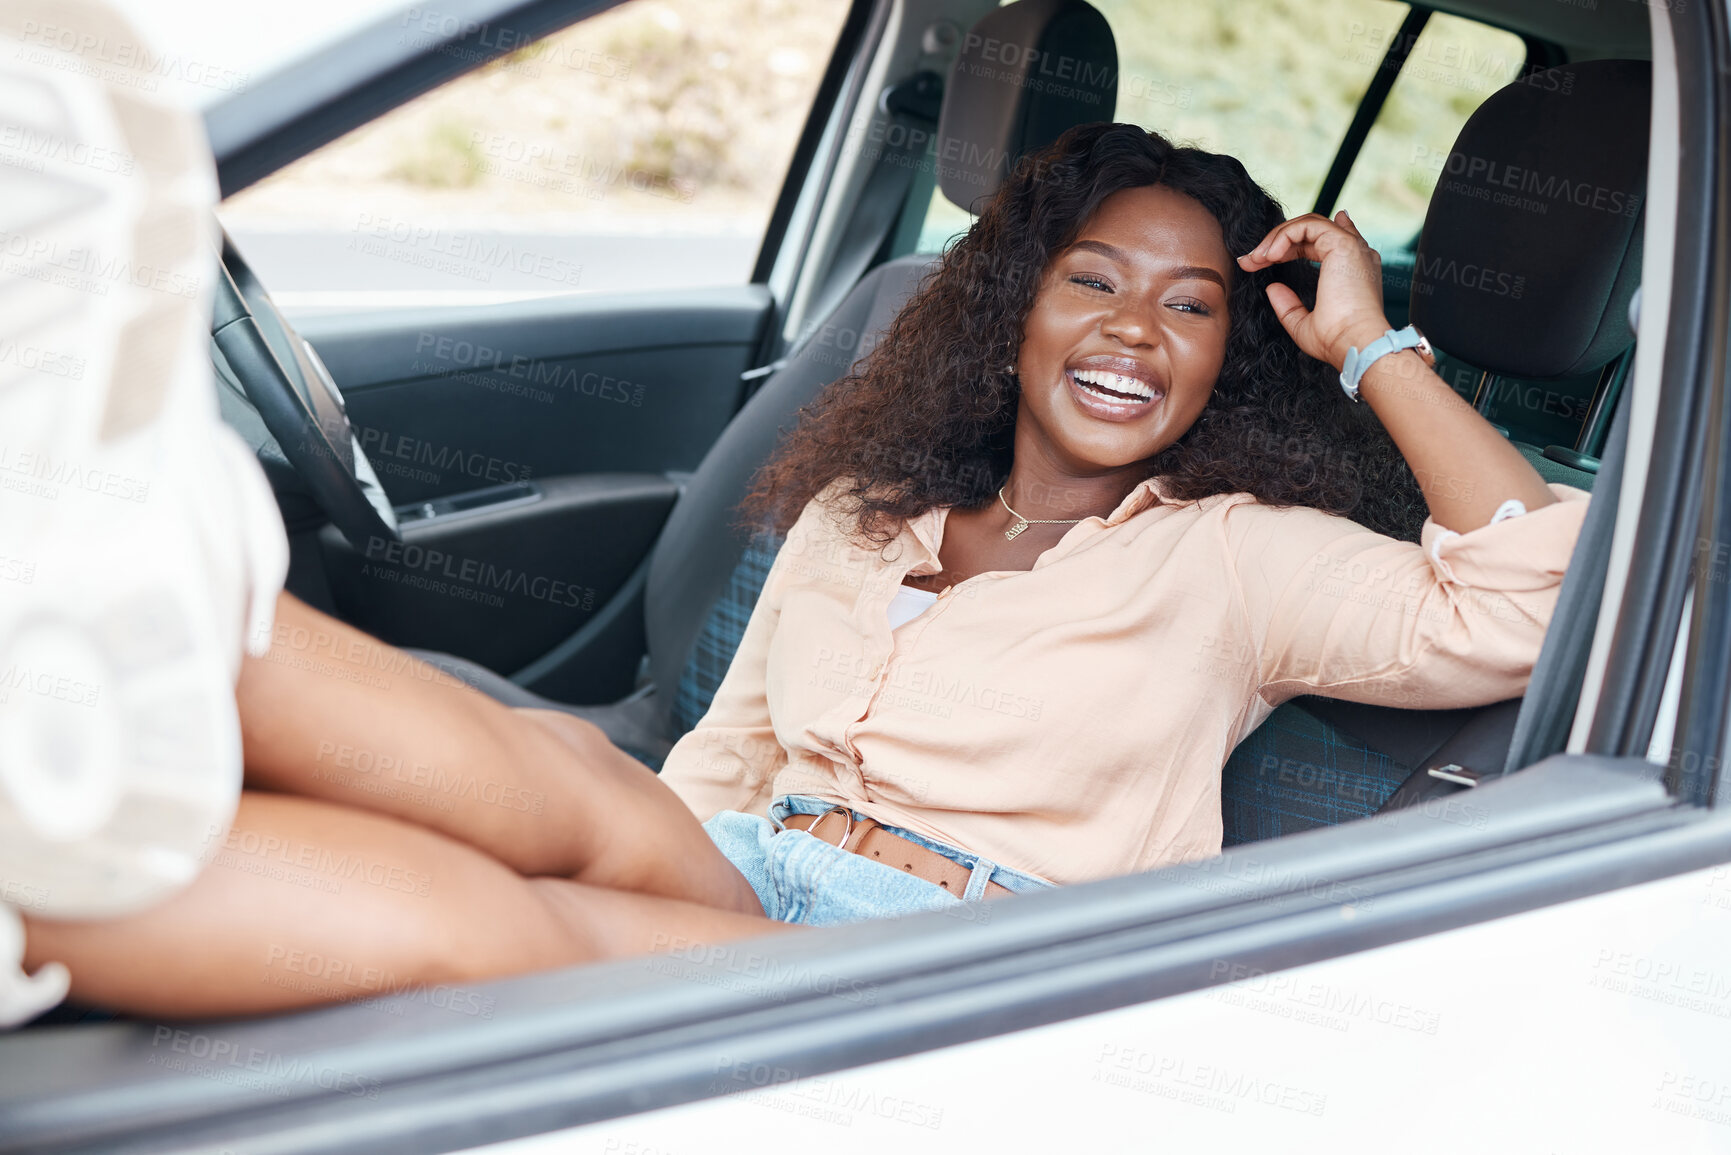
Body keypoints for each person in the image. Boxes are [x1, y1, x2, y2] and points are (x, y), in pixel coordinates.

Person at [12, 120, 1588, 1020]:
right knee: (547, 770)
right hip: (755, 865)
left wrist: (1369, 342)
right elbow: (731, 756)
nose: (1127, 328)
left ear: (1233, 357)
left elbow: (1526, 597)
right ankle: (73, 621)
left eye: (1188, 307)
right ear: (1007, 310)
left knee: (505, 933)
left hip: (958, 970)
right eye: (1089, 281)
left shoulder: (1240, 561)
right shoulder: (864, 507)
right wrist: (617, 846)